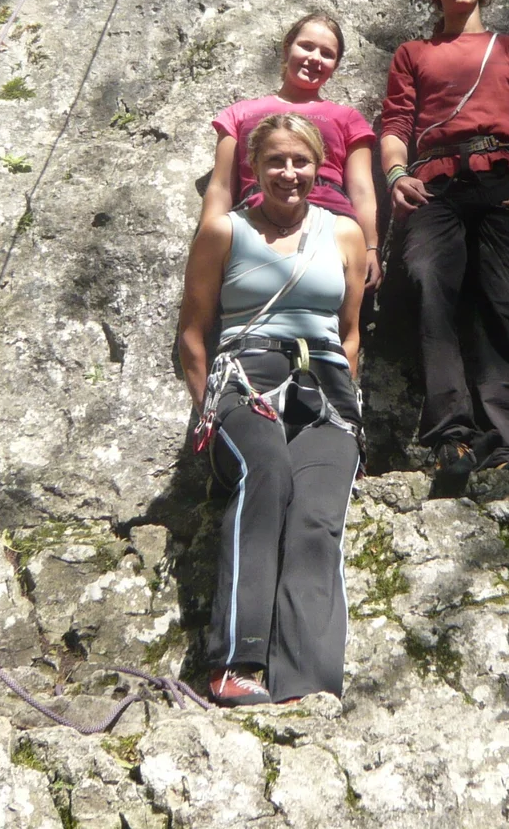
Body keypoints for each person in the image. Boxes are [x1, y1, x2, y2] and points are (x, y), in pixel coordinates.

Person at [179, 112, 370, 707]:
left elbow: (351, 332)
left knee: (317, 516)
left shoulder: (344, 234)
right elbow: (192, 333)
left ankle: (306, 681)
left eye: (301, 161)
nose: (289, 173)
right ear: (254, 170)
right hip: (246, 376)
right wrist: (208, 408)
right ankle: (236, 662)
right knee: (266, 473)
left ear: (319, 167)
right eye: (275, 162)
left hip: (327, 387)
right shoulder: (224, 233)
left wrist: (345, 396)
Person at [380, 0, 509, 494]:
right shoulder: (413, 54)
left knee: (503, 304)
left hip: (504, 180)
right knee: (432, 287)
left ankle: (502, 442)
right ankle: (451, 437)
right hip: (433, 184)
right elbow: (395, 125)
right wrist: (394, 175)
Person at [198, 13, 381, 289]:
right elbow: (222, 186)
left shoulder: (347, 118)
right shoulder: (241, 113)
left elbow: (362, 189)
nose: (315, 58)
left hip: (330, 222)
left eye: (327, 54)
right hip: (258, 219)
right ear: (287, 48)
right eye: (306, 46)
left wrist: (370, 247)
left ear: (335, 65)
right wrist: (208, 244)